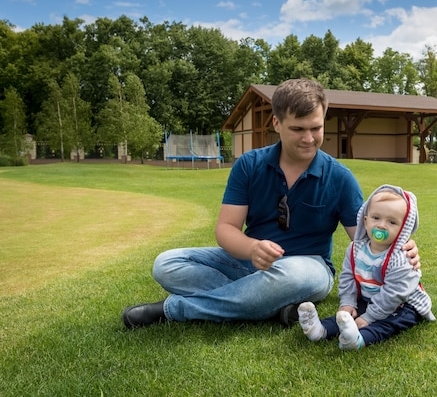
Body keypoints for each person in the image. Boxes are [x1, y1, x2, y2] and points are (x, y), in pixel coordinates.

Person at [122, 78, 420, 329]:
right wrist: (252, 249)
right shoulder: (249, 164)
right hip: (248, 262)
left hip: (309, 269)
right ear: (276, 123)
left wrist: (400, 249)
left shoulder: (339, 177)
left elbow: (366, 238)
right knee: (167, 264)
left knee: (294, 276)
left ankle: (175, 309)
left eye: (316, 128)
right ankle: (270, 306)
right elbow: (226, 228)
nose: (309, 138)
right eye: (298, 129)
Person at [298, 185, 435, 350]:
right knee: (349, 314)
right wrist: (347, 303)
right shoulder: (355, 249)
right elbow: (347, 277)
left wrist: (369, 317)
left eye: (392, 222)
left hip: (404, 304)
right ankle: (320, 329)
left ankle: (358, 339)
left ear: (403, 229)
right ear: (365, 220)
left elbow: (392, 295)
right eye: (376, 218)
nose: (382, 225)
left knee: (388, 322)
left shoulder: (401, 259)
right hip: (371, 297)